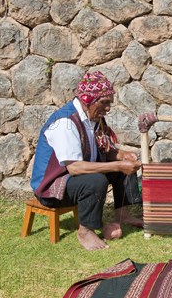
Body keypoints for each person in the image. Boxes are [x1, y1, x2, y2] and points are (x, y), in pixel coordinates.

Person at [30, 71, 143, 250]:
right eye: (104, 103)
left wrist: (122, 156)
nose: (108, 108)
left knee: (123, 168)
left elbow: (103, 150)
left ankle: (123, 215)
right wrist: (118, 164)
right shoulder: (64, 123)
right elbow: (75, 168)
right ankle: (85, 231)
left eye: (109, 103)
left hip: (74, 178)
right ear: (87, 100)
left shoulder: (93, 118)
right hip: (52, 187)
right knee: (95, 180)